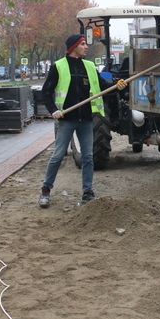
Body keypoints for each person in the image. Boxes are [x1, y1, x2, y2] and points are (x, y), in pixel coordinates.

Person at [37, 34, 126, 208]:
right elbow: (45, 92)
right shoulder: (58, 66)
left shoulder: (90, 66)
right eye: (83, 44)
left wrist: (117, 85)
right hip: (67, 119)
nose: (86, 47)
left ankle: (87, 192)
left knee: (88, 157)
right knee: (57, 155)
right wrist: (53, 110)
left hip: (86, 119)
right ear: (73, 47)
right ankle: (45, 191)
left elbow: (102, 86)